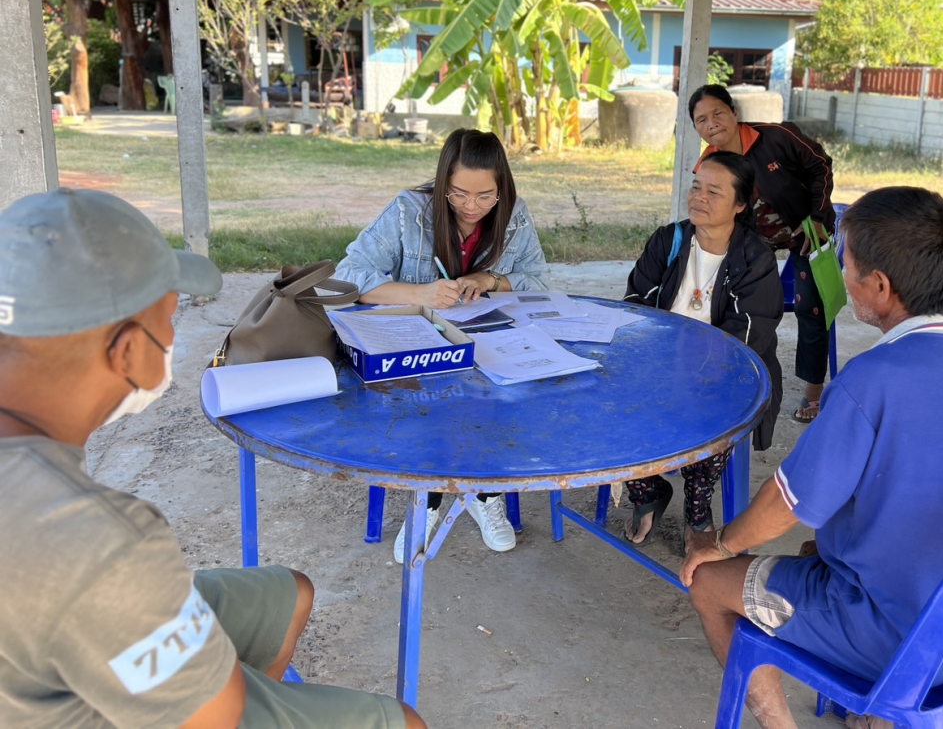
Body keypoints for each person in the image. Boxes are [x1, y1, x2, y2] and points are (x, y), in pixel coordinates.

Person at [0, 188, 424, 729]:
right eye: (171, 321)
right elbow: (213, 714)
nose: (175, 340)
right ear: (128, 350)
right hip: (113, 690)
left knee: (287, 595)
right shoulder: (95, 537)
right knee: (402, 723)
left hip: (38, 650)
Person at [681, 187, 943, 729]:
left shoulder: (871, 380)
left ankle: (782, 723)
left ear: (880, 287)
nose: (841, 272)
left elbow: (784, 507)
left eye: (846, 263)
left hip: (900, 635)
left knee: (706, 582)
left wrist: (719, 546)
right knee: (824, 545)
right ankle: (880, 718)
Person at [336, 128, 548, 556]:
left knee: (498, 392)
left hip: (485, 340)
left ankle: (482, 492)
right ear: (441, 183)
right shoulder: (406, 211)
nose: (472, 207)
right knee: (437, 396)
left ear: (502, 187)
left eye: (485, 195)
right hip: (414, 348)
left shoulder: (515, 214)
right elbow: (349, 276)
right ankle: (428, 498)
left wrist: (488, 279)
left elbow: (538, 281)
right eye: (458, 194)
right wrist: (420, 294)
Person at [623, 151, 783, 553]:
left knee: (714, 409)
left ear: (741, 205)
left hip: (724, 373)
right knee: (611, 404)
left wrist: (688, 369)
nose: (699, 197)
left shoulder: (754, 260)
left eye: (714, 191)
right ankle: (648, 490)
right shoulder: (669, 240)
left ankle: (697, 506)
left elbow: (746, 338)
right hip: (660, 366)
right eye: (696, 186)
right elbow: (634, 305)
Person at [687, 84, 835, 431]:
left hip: (805, 232)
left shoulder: (777, 137)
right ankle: (748, 383)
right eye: (701, 120)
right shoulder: (709, 163)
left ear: (734, 112)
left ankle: (813, 391)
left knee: (811, 306)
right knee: (746, 309)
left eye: (717, 113)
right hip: (756, 244)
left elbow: (820, 166)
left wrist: (818, 215)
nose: (712, 124)